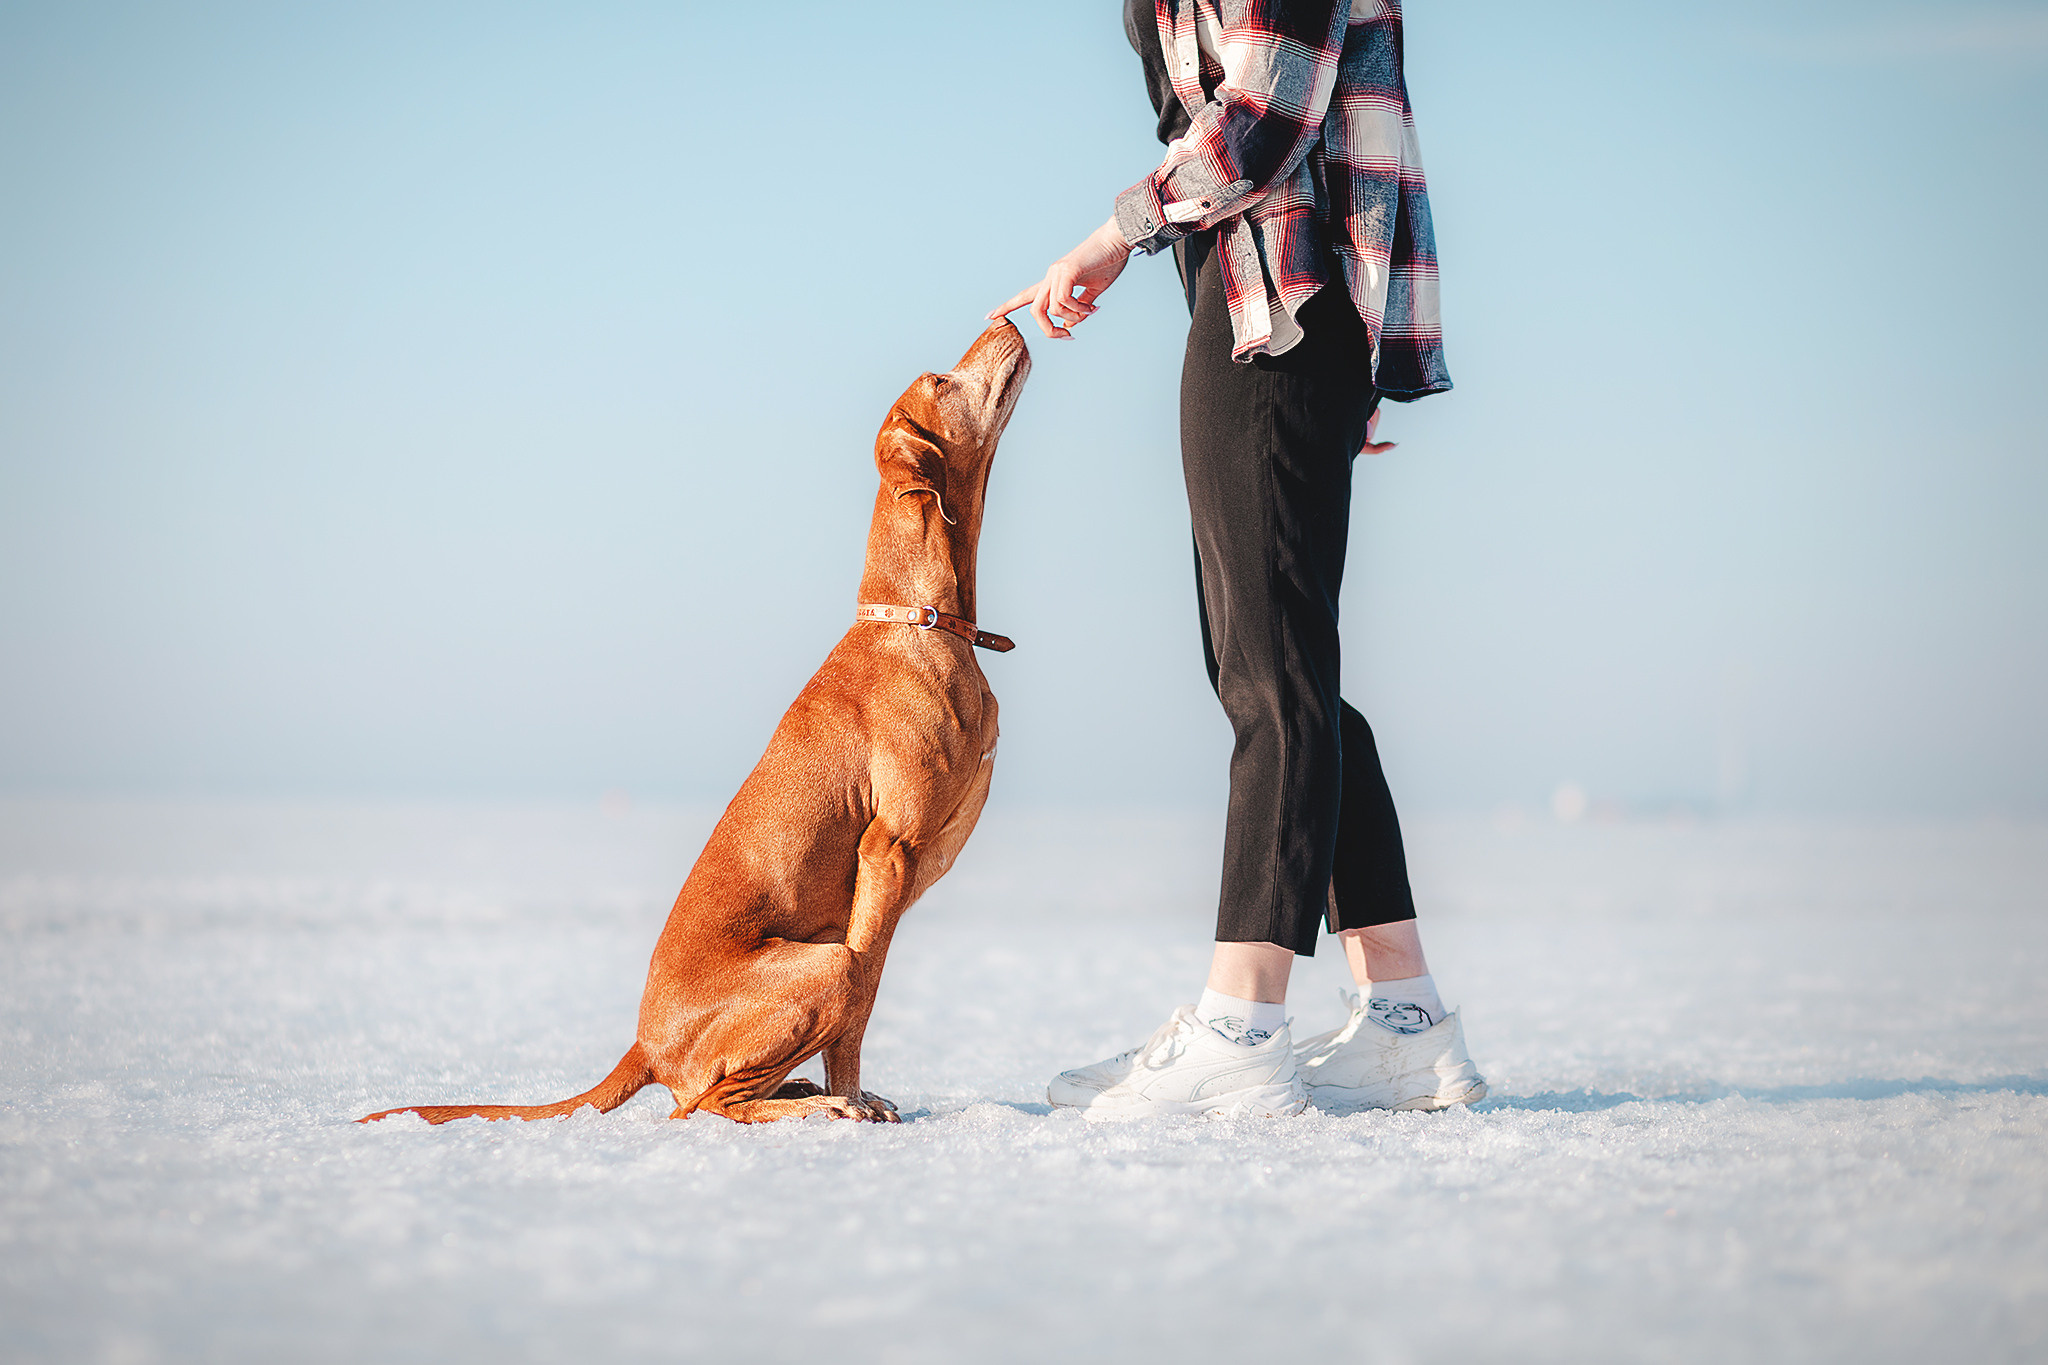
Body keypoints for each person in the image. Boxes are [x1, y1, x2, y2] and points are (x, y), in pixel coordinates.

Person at [989, 0, 1485, 1118]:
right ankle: (1404, 1021)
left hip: (1282, 302)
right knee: (1275, 660)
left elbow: (1265, 120)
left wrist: (1113, 236)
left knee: (1269, 673)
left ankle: (1241, 1024)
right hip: (1261, 301)